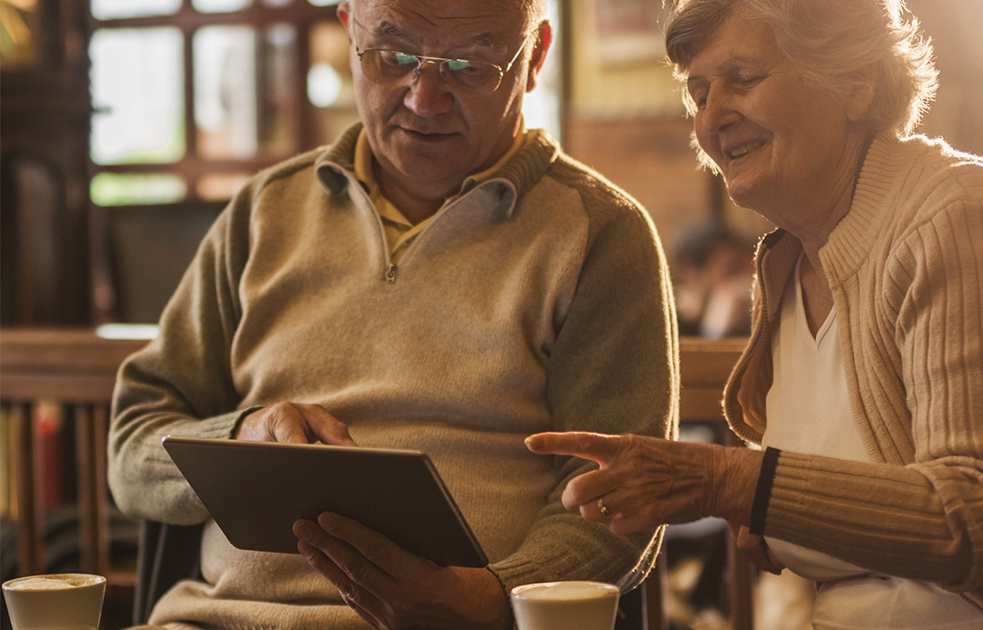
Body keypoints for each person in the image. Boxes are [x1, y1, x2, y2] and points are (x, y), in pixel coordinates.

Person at [526, 0, 983, 628]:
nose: (711, 118)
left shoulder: (966, 216)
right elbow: (855, 493)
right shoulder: (790, 266)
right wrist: (776, 520)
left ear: (856, 82)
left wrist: (728, 483)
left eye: (743, 78)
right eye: (699, 93)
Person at [107, 0, 677, 628]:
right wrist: (239, 437)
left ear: (534, 56)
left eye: (469, 65)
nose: (424, 99)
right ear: (348, 29)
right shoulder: (264, 213)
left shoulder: (598, 233)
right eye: (393, 56)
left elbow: (616, 496)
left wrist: (489, 598)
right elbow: (133, 447)